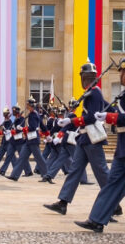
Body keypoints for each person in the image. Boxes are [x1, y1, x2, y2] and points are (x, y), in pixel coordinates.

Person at [74, 55, 125, 233]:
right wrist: (108, 113)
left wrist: (110, 118)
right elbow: (120, 111)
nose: (120, 75)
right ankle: (97, 219)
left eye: (121, 72)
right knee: (112, 185)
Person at [43, 63, 111, 215]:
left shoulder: (95, 93)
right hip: (84, 138)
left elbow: (91, 117)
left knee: (101, 172)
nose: (84, 80)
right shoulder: (91, 92)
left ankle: (112, 204)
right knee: (74, 170)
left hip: (92, 138)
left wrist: (71, 121)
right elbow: (106, 107)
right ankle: (63, 202)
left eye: (86, 77)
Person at [8, 98, 49, 181]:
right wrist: (46, 133)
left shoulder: (33, 115)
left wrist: (23, 128)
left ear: (30, 105)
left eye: (27, 104)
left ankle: (47, 175)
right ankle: (14, 175)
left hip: (33, 140)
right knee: (22, 158)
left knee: (39, 159)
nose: (26, 106)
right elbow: (42, 125)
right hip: (29, 140)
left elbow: (33, 127)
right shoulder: (34, 114)